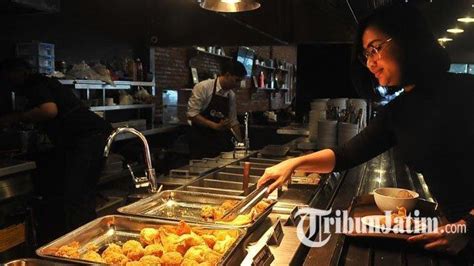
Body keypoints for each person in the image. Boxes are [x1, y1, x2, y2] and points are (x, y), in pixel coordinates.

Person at [258, 4, 474, 255]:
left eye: (375, 48)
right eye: (365, 54)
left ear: (408, 39)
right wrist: (293, 164)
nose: (370, 62)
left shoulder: (466, 92)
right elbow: (346, 154)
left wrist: (467, 228)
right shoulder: (399, 111)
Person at [0, 58, 112, 241]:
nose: (9, 81)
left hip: (87, 138)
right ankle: (87, 241)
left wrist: (16, 117)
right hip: (92, 136)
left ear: (20, 72)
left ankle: (83, 245)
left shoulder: (35, 83)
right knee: (81, 194)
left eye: (9, 76)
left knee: (76, 195)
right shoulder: (45, 82)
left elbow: (49, 110)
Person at [187, 61, 246, 159]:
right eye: (237, 80)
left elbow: (233, 121)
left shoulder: (231, 95)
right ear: (227, 75)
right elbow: (192, 115)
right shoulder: (203, 87)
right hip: (199, 139)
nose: (238, 84)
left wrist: (241, 144)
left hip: (217, 141)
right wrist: (215, 125)